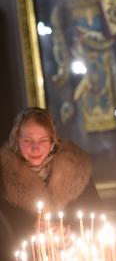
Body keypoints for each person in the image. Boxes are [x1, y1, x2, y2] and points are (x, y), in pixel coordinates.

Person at [0, 107, 101, 260]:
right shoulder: (3, 179)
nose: (35, 148)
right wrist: (32, 235)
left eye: (43, 140)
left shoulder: (77, 170)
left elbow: (95, 219)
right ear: (16, 140)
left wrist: (69, 233)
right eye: (28, 141)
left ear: (53, 141)